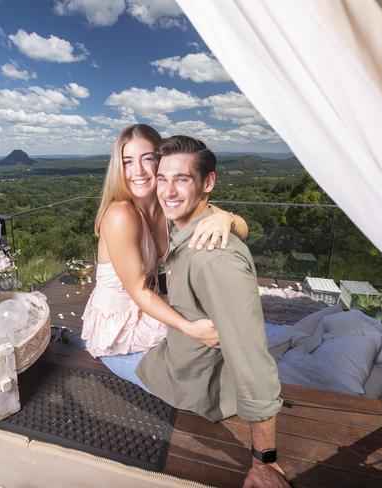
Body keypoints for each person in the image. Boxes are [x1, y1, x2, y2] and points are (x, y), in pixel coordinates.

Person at [136, 135, 289, 487]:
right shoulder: (189, 228)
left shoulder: (215, 260)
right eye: (163, 179)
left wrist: (264, 460)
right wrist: (230, 217)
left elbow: (252, 361)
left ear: (208, 182)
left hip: (188, 388)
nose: (168, 191)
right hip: (171, 359)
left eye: (182, 179)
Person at [80, 124, 248, 389]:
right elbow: (138, 291)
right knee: (199, 384)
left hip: (151, 310)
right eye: (128, 162)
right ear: (118, 169)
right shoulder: (121, 215)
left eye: (148, 159)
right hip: (120, 333)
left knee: (231, 350)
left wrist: (225, 219)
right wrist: (189, 328)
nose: (138, 171)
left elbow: (243, 230)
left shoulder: (166, 204)